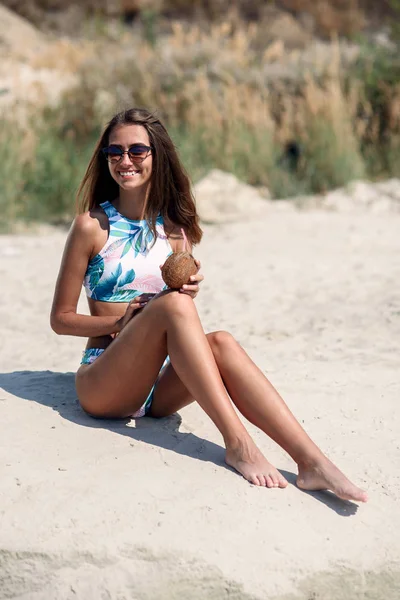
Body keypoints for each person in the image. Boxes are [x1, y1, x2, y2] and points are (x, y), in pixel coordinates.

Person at [50, 107, 367, 502]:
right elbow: (60, 320)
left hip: (159, 385)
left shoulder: (175, 231)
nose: (124, 160)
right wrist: (122, 321)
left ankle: (312, 462)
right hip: (105, 380)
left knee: (223, 342)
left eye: (136, 151)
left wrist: (187, 290)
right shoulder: (91, 226)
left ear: (157, 156)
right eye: (114, 152)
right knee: (173, 310)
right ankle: (239, 445)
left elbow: (174, 313)